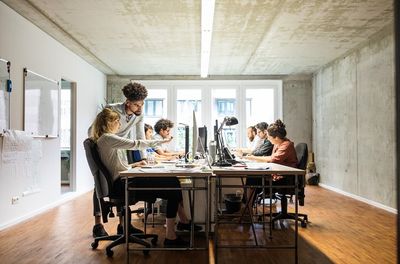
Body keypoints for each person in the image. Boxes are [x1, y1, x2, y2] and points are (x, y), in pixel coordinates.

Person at [92, 108, 198, 246]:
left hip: (122, 182)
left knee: (172, 183)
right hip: (123, 185)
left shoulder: (104, 140)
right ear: (108, 122)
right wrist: (160, 142)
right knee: (173, 184)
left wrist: (136, 164)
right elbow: (136, 144)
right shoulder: (108, 138)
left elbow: (116, 167)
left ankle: (180, 225)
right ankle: (171, 236)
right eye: (117, 121)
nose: (119, 124)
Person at [90, 81, 148, 238]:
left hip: (121, 147)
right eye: (136, 104)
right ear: (127, 102)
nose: (140, 108)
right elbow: (94, 128)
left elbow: (140, 135)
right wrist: (99, 149)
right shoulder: (112, 109)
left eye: (142, 104)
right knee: (101, 181)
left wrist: (145, 157)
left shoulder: (139, 114)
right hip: (104, 144)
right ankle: (98, 225)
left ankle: (124, 226)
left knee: (121, 182)